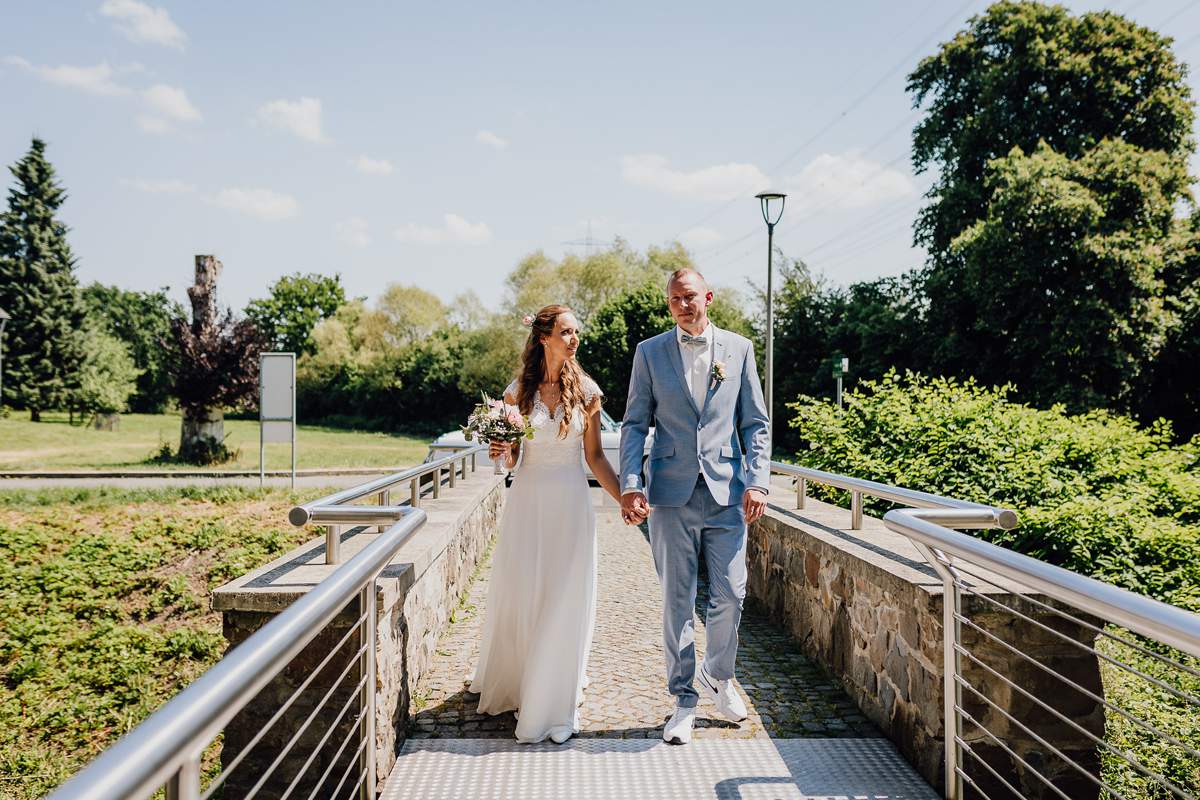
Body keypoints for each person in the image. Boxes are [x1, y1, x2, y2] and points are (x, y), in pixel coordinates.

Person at [618, 268, 770, 745]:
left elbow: (756, 424)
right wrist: (630, 482)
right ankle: (683, 700)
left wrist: (759, 482)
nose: (682, 306)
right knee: (677, 600)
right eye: (674, 300)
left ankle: (719, 676)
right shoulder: (649, 352)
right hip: (669, 492)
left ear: (708, 297)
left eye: (689, 297)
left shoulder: (740, 349)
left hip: (728, 492)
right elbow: (634, 423)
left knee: (732, 593)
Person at [469, 304, 623, 744]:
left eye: (576, 332)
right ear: (544, 338)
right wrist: (501, 448)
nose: (574, 339)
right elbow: (512, 458)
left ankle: (554, 693)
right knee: (527, 592)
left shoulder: (588, 391)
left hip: (572, 503)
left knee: (565, 594)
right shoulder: (517, 393)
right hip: (530, 502)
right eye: (566, 332)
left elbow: (595, 457)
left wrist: (625, 500)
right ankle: (525, 681)